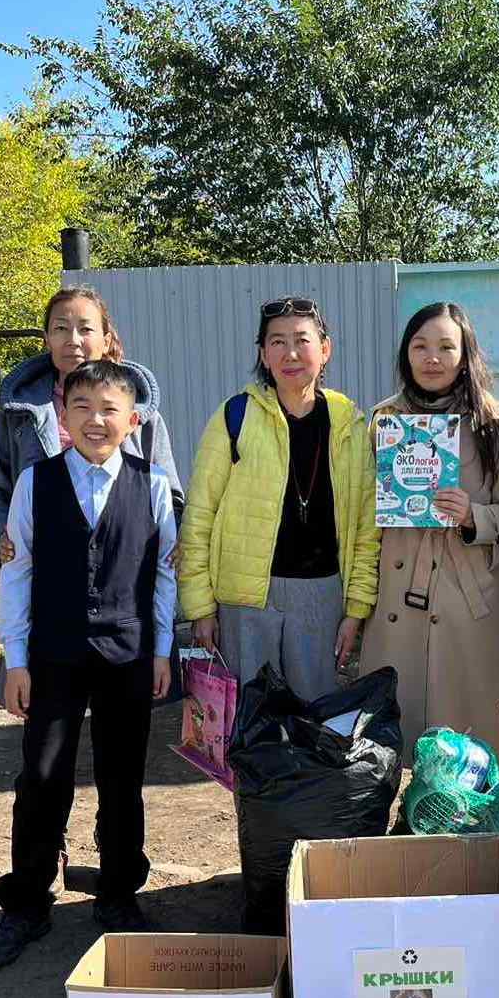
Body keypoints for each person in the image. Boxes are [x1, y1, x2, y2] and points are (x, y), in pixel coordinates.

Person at [0, 360, 178, 968]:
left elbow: (164, 575)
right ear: (62, 416)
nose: (96, 420)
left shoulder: (155, 485)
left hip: (128, 653)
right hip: (54, 655)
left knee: (122, 780)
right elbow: (17, 572)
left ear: (132, 420)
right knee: (41, 776)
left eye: (110, 409)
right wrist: (15, 660)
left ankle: (118, 893)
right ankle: (27, 901)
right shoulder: (35, 483)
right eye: (82, 407)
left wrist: (162, 650)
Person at [360, 303, 499, 767]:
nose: (432, 357)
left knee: (470, 741)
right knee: (389, 736)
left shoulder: (495, 423)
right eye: (420, 346)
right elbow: (359, 511)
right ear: (405, 353)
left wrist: (475, 515)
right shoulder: (381, 422)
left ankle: (466, 827)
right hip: (395, 595)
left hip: (466, 594)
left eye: (445, 346)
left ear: (465, 354)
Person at [178, 298, 379, 698]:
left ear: (325, 349)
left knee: (313, 715)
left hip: (321, 593)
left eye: (302, 340)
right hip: (245, 596)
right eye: (277, 342)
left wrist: (356, 608)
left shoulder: (350, 423)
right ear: (262, 354)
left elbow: (366, 525)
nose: (290, 353)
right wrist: (200, 607)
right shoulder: (234, 416)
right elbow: (199, 515)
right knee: (251, 721)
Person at [0, 286, 184, 570]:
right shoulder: (20, 411)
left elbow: (169, 494)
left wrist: (171, 542)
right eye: (60, 329)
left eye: (85, 329)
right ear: (47, 339)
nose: (73, 340)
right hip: (46, 570)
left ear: (106, 340)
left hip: (126, 571)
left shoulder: (138, 409)